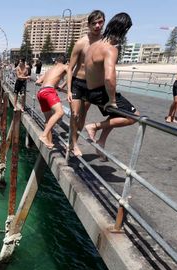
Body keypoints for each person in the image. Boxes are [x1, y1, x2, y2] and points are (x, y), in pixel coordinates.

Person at [83, 12, 139, 161]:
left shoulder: (94, 46)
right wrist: (112, 99)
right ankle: (94, 126)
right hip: (102, 92)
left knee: (115, 114)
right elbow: (109, 76)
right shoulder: (110, 49)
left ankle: (101, 142)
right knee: (135, 116)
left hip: (91, 91)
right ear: (123, 30)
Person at [66, 10, 105, 156]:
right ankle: (74, 144)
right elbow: (70, 68)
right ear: (88, 25)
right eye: (94, 23)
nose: (97, 25)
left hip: (92, 85)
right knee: (75, 114)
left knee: (82, 117)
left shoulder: (105, 42)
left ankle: (73, 140)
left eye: (100, 22)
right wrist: (69, 90)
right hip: (78, 83)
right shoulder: (81, 43)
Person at [35, 56, 68, 149]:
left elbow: (37, 82)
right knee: (60, 112)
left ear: (56, 61)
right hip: (49, 92)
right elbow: (70, 76)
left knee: (48, 119)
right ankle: (44, 135)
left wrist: (49, 84)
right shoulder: (65, 67)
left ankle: (49, 143)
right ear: (64, 62)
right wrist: (63, 86)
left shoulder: (49, 70)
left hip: (41, 92)